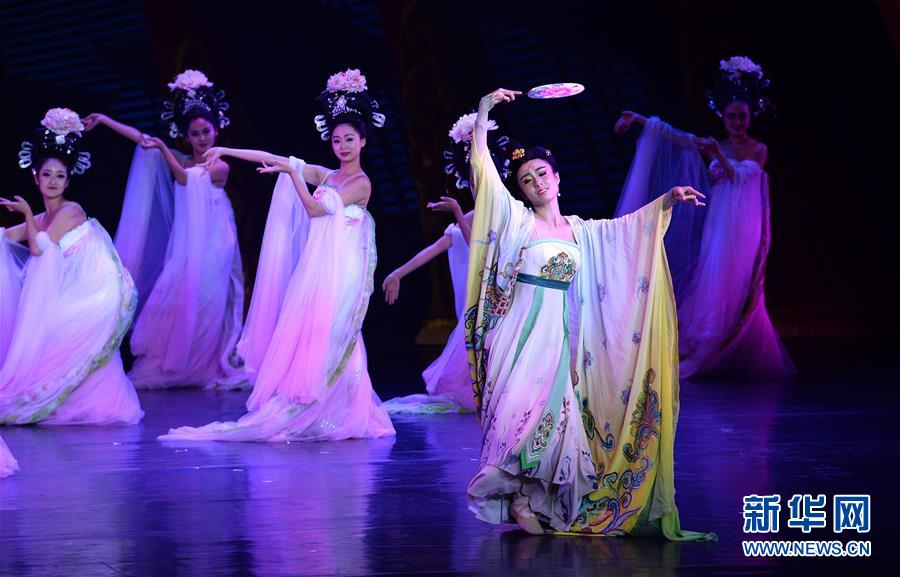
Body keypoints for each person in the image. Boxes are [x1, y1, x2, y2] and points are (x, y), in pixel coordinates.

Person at [464, 88, 714, 540]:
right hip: (519, 333)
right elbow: (483, 172)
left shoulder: (581, 231)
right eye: (526, 179)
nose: (537, 183)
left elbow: (625, 233)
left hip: (559, 338)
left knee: (555, 420)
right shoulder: (518, 221)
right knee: (518, 415)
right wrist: (483, 111)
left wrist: (667, 200)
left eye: (542, 173)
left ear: (557, 178)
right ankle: (515, 496)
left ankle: (533, 498)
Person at [159, 69, 394, 442]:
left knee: (338, 333)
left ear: (363, 141)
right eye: (336, 140)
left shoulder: (360, 183)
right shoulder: (328, 175)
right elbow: (273, 157)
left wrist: (293, 175)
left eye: (350, 139)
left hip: (345, 270)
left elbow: (315, 211)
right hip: (320, 267)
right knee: (315, 333)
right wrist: (226, 151)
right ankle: (328, 409)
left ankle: (343, 409)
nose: (343, 146)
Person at [614, 56, 794, 379]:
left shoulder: (757, 149)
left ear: (750, 117)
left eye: (742, 116)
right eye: (731, 116)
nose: (737, 122)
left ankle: (724, 345)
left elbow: (740, 179)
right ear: (722, 116)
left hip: (742, 225)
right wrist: (640, 120)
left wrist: (718, 154)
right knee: (711, 274)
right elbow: (681, 138)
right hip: (718, 222)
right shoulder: (717, 144)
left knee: (731, 278)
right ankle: (707, 343)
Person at [83, 69, 245, 389]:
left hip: (214, 244)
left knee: (206, 301)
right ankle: (181, 363)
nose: (202, 138)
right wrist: (104, 120)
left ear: (216, 130)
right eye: (195, 133)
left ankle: (203, 366)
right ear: (187, 136)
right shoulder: (183, 159)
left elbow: (187, 178)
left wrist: (163, 149)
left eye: (206, 131)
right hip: (187, 243)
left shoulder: (219, 166)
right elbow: (141, 139)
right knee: (176, 295)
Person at [0, 108, 143, 426]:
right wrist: (24, 221)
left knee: (55, 333)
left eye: (60, 176)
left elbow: (39, 248)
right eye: (47, 175)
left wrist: (26, 213)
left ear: (68, 180)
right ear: (35, 176)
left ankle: (68, 399)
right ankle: (83, 401)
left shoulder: (70, 211)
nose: (53, 181)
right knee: (50, 334)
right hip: (79, 289)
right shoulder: (44, 217)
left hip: (100, 292)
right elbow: (7, 236)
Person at [381, 112, 510, 413]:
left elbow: (482, 248)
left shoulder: (507, 214)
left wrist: (456, 213)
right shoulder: (470, 217)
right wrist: (397, 272)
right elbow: (434, 251)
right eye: (473, 181)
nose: (478, 186)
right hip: (480, 305)